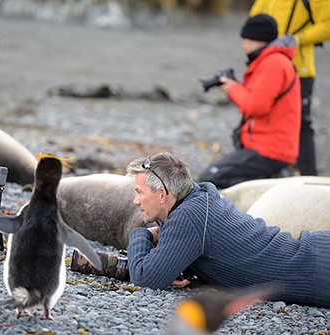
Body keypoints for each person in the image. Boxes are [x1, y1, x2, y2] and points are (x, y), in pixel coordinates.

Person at [126, 152, 330, 308]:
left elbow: (145, 279)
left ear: (162, 195)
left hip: (319, 270)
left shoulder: (189, 217)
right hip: (315, 255)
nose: (135, 201)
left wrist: (141, 233)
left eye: (139, 192)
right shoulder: (200, 197)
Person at [199, 14, 301, 189]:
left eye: (246, 39)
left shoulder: (274, 63)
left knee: (210, 178)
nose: (243, 45)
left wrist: (233, 88)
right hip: (266, 147)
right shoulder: (269, 61)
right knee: (217, 177)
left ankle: (270, 186)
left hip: (270, 151)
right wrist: (235, 87)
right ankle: (271, 182)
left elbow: (255, 107)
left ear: (259, 39)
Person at [250, 0, 330, 176]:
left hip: (299, 69)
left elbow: (327, 25)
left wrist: (297, 39)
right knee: (266, 118)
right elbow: (255, 17)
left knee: (301, 123)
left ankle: (309, 177)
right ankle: (277, 173)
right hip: (267, 67)